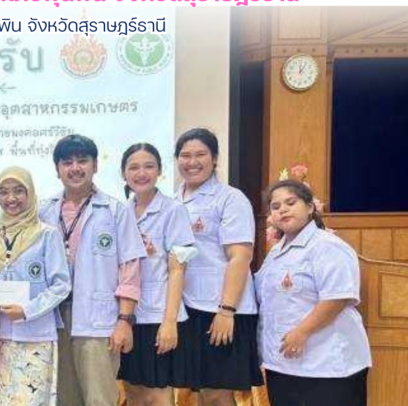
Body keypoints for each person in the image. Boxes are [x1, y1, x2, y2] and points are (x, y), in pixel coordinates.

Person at [39, 134, 146, 406]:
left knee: (100, 399)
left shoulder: (115, 210)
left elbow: (130, 268)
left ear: (95, 165)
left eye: (82, 161)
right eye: (67, 162)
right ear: (57, 169)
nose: (75, 168)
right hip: (53, 319)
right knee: (63, 399)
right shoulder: (43, 211)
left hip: (97, 322)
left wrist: (125, 320)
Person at [256, 179, 371, 406]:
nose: (283, 210)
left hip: (327, 365)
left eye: (291, 203)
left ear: (310, 207)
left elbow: (337, 297)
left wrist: (302, 331)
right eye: (276, 206)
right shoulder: (276, 252)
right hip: (282, 365)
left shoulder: (327, 246)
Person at [173, 128, 263, 406]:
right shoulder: (172, 201)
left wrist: (226, 310)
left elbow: (240, 256)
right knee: (197, 391)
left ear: (214, 159)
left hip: (222, 309)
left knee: (217, 392)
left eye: (200, 154)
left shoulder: (230, 198)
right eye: (185, 155)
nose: (192, 162)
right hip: (189, 308)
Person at [0, 166, 70, 406]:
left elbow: (61, 285)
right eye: (3, 192)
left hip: (36, 337)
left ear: (30, 193)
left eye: (19, 191)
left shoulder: (46, 235)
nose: (11, 198)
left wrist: (27, 310)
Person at [116, 143, 197, 406]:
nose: (141, 173)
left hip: (159, 317)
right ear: (123, 173)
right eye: (134, 167)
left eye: (149, 166)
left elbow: (177, 269)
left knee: (157, 394)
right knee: (132, 390)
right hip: (128, 317)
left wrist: (169, 322)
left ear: (160, 171)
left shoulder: (173, 210)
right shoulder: (120, 212)